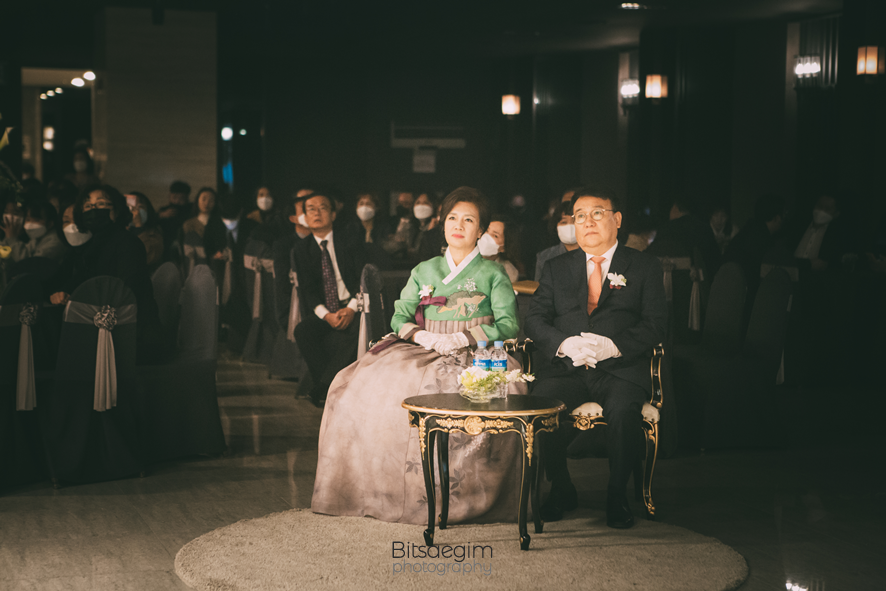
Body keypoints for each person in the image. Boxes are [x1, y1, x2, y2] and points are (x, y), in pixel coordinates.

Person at [311, 186, 526, 525]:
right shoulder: (425, 270)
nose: (458, 226)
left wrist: (462, 336)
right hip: (424, 346)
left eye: (469, 220)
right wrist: (423, 335)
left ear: (481, 230)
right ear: (442, 223)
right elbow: (400, 316)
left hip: (477, 351)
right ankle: (381, 490)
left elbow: (509, 324)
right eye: (452, 218)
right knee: (353, 384)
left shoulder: (493, 273)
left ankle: (453, 496)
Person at [525, 186, 667, 529]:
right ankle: (561, 488)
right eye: (580, 216)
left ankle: (617, 495)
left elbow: (656, 324)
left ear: (616, 220)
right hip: (567, 368)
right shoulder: (556, 267)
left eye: (597, 213)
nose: (587, 222)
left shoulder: (644, 265)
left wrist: (614, 346)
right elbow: (534, 319)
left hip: (620, 368)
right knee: (543, 405)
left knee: (623, 409)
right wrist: (564, 344)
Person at [50, 184, 162, 362]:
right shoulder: (92, 246)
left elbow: (125, 293)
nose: (93, 210)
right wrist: (62, 294)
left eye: (101, 204)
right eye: (88, 206)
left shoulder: (128, 243)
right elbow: (79, 281)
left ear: (116, 211)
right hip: (104, 327)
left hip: (133, 336)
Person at [292, 190, 366, 406]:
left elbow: (363, 277)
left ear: (333, 214)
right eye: (311, 209)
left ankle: (325, 387)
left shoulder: (350, 240)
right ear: (304, 217)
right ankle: (332, 385)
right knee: (303, 331)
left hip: (354, 305)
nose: (317, 213)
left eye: (323, 208)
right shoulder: (301, 249)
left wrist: (351, 308)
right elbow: (307, 291)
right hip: (326, 310)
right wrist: (327, 316)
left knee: (359, 328)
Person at [0, 197, 66, 262]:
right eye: (28, 219)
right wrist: (8, 237)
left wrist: (12, 238)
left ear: (50, 224)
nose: (30, 224)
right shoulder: (37, 237)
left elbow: (27, 262)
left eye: (36, 220)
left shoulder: (55, 242)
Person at [535, 201, 580, 281]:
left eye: (574, 221)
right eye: (564, 222)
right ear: (556, 226)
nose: (569, 226)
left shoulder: (594, 256)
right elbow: (538, 286)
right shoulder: (544, 257)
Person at [478, 214, 523, 283]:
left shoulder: (508, 271)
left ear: (504, 247)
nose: (486, 236)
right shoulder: (464, 257)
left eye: (495, 236)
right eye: (487, 231)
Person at [126, 191, 164, 270]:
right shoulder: (119, 231)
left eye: (140, 207)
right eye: (131, 208)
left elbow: (148, 258)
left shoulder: (154, 233)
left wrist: (139, 226)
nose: (136, 212)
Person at [158, 180, 192, 254]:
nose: (177, 201)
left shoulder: (191, 209)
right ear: (169, 196)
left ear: (186, 198)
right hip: (166, 244)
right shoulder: (164, 210)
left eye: (181, 199)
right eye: (174, 197)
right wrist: (162, 215)